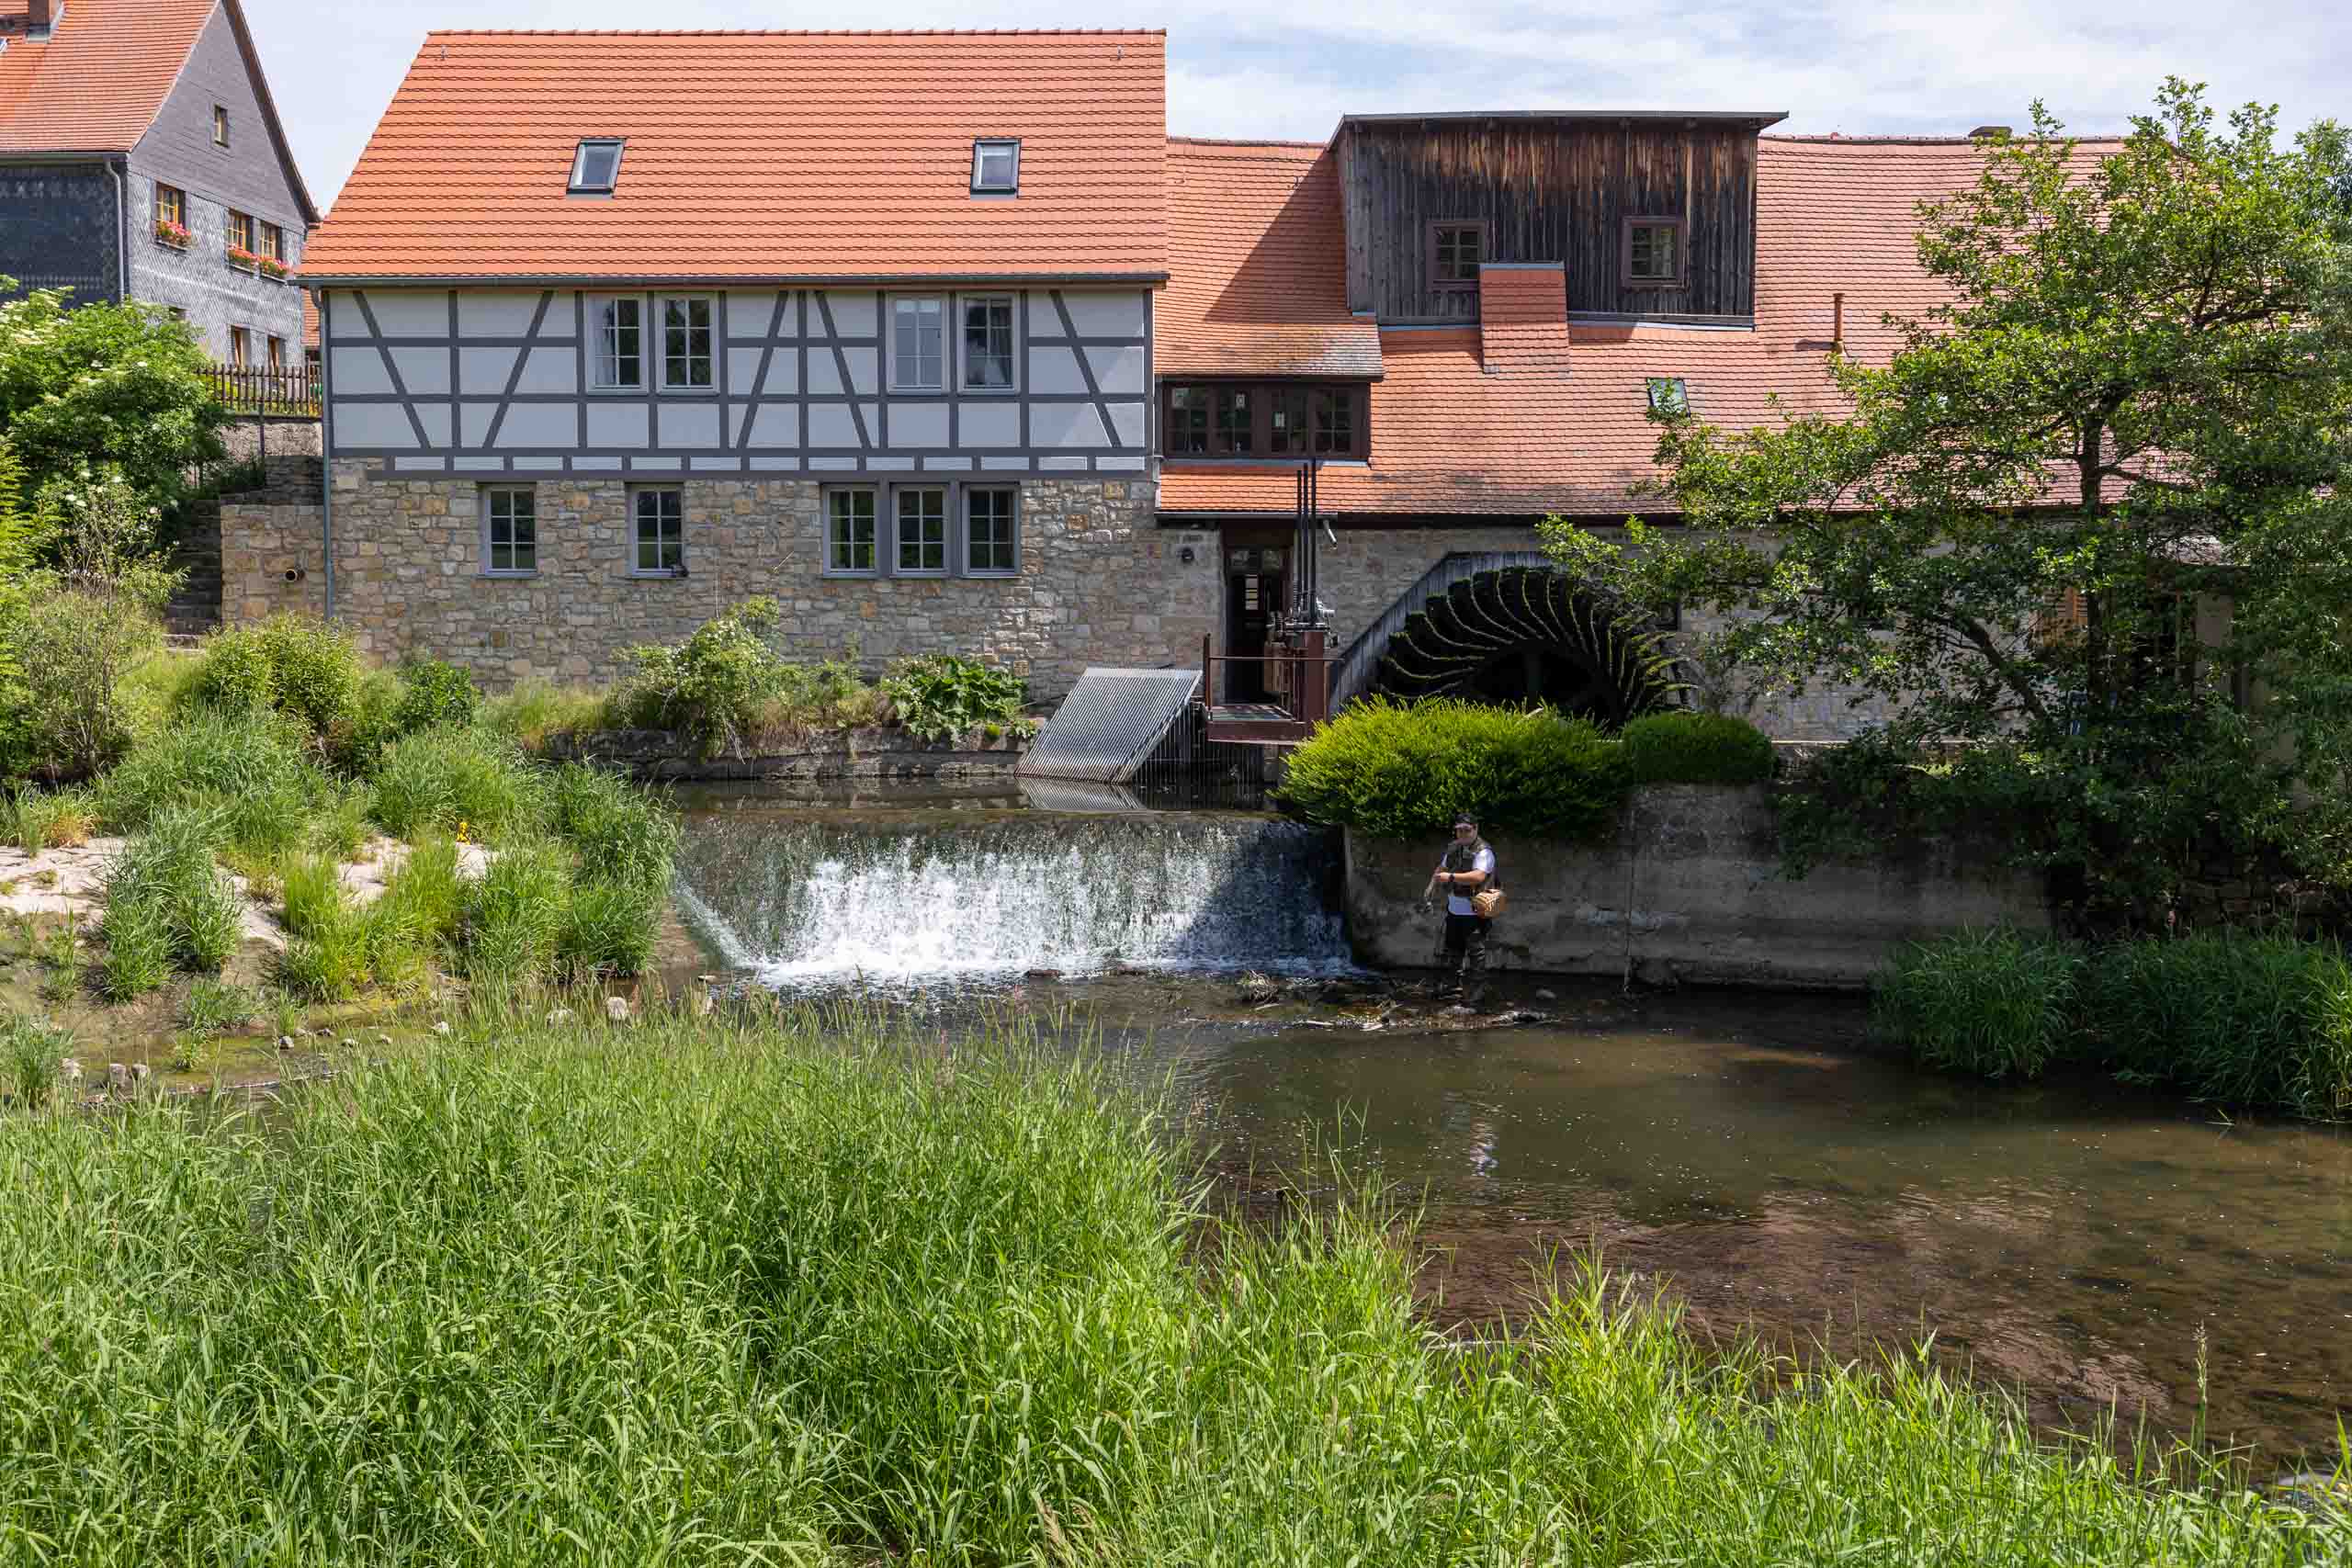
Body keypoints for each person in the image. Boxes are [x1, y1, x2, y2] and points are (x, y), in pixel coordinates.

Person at [1424, 815, 1496, 1010]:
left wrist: (1452, 877)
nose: (1462, 833)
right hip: (1454, 910)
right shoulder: (1454, 847)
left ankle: (1476, 991)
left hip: (1475, 912)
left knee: (1476, 953)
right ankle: (1452, 986)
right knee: (1452, 950)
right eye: (1459, 830)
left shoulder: (1484, 852)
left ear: (1475, 828)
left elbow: (1478, 876)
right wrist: (1431, 886)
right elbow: (1442, 867)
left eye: (1467, 829)